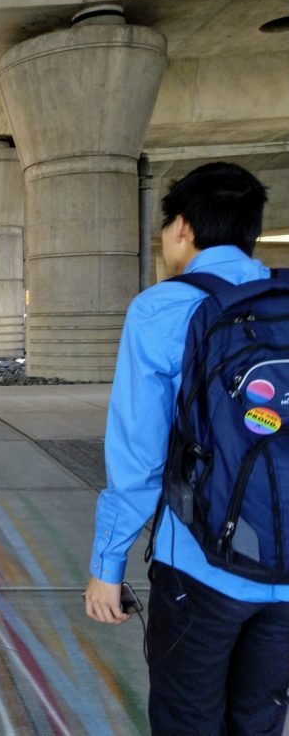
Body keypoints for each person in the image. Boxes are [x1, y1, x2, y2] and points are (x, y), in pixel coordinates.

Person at [85, 162, 289, 735]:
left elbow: (139, 455)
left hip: (200, 564)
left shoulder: (161, 309)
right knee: (259, 720)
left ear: (181, 228)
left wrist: (108, 563)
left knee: (187, 720)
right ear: (251, 230)